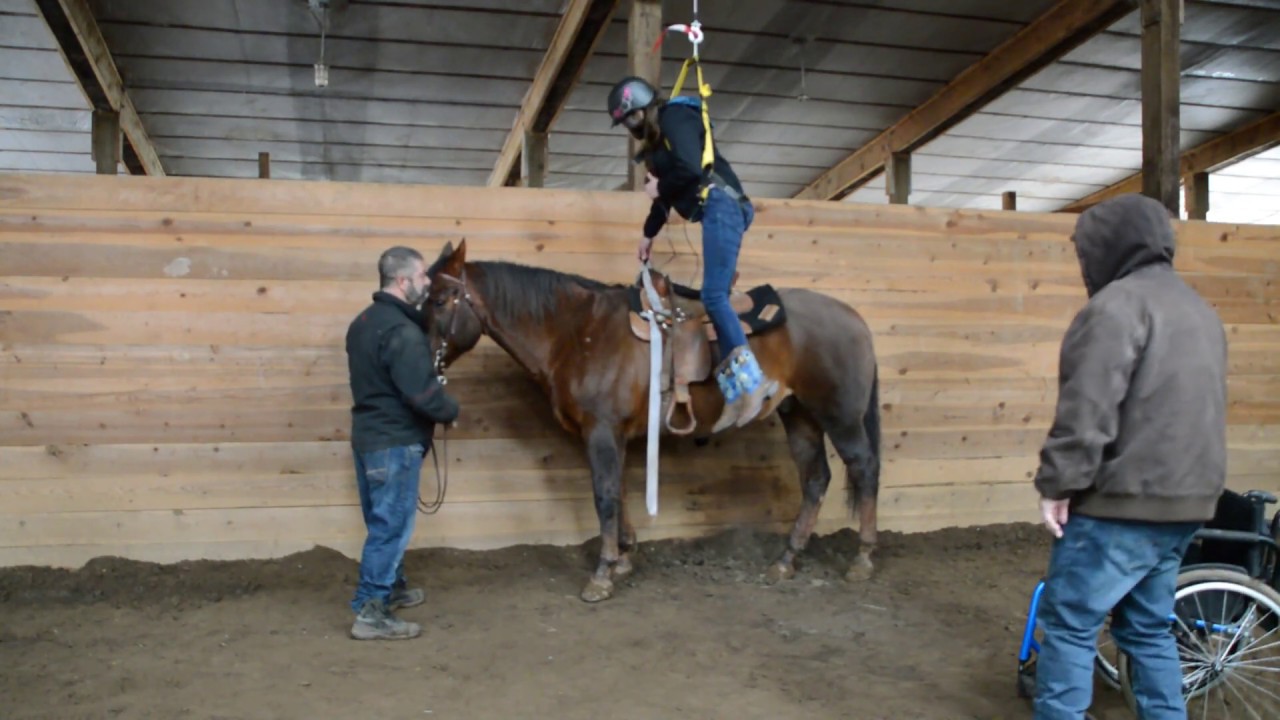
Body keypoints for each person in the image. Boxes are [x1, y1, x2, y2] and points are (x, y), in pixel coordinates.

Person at [1031, 193, 1228, 719]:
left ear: (1106, 247)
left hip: (1122, 503)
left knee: (1070, 626)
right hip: (1187, 503)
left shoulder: (1115, 308)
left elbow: (1087, 407)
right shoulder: (1199, 310)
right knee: (1147, 628)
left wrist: (1057, 484)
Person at [607, 75, 777, 431]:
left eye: (630, 119)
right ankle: (734, 393)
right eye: (625, 123)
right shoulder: (657, 148)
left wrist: (660, 189)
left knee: (714, 296)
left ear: (643, 110)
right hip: (713, 210)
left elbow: (691, 168)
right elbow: (663, 199)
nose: (630, 127)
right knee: (714, 300)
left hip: (722, 205)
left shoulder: (676, 118)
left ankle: (754, 383)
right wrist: (647, 235)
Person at [344, 246, 460, 641]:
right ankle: (371, 611)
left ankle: (392, 587)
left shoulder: (363, 323)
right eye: (423, 276)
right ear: (402, 280)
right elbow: (421, 394)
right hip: (395, 442)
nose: (427, 283)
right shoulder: (402, 332)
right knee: (390, 528)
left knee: (382, 521)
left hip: (369, 439)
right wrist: (449, 409)